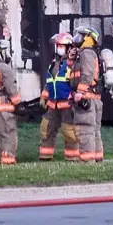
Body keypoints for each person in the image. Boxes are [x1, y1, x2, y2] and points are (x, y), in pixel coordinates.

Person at [38, 32, 79, 161]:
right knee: (46, 129)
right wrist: (44, 96)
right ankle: (45, 156)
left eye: (61, 46)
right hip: (52, 105)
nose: (58, 48)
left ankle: (72, 158)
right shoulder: (54, 64)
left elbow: (76, 83)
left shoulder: (73, 64)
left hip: (67, 105)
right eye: (57, 46)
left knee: (69, 132)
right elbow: (49, 83)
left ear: (68, 47)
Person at [70, 26, 104, 163]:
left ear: (88, 38)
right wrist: (71, 59)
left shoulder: (86, 53)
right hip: (93, 98)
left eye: (81, 35)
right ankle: (97, 159)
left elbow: (87, 74)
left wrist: (80, 92)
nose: (78, 38)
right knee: (94, 131)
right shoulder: (87, 53)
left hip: (86, 99)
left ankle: (87, 163)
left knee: (85, 131)